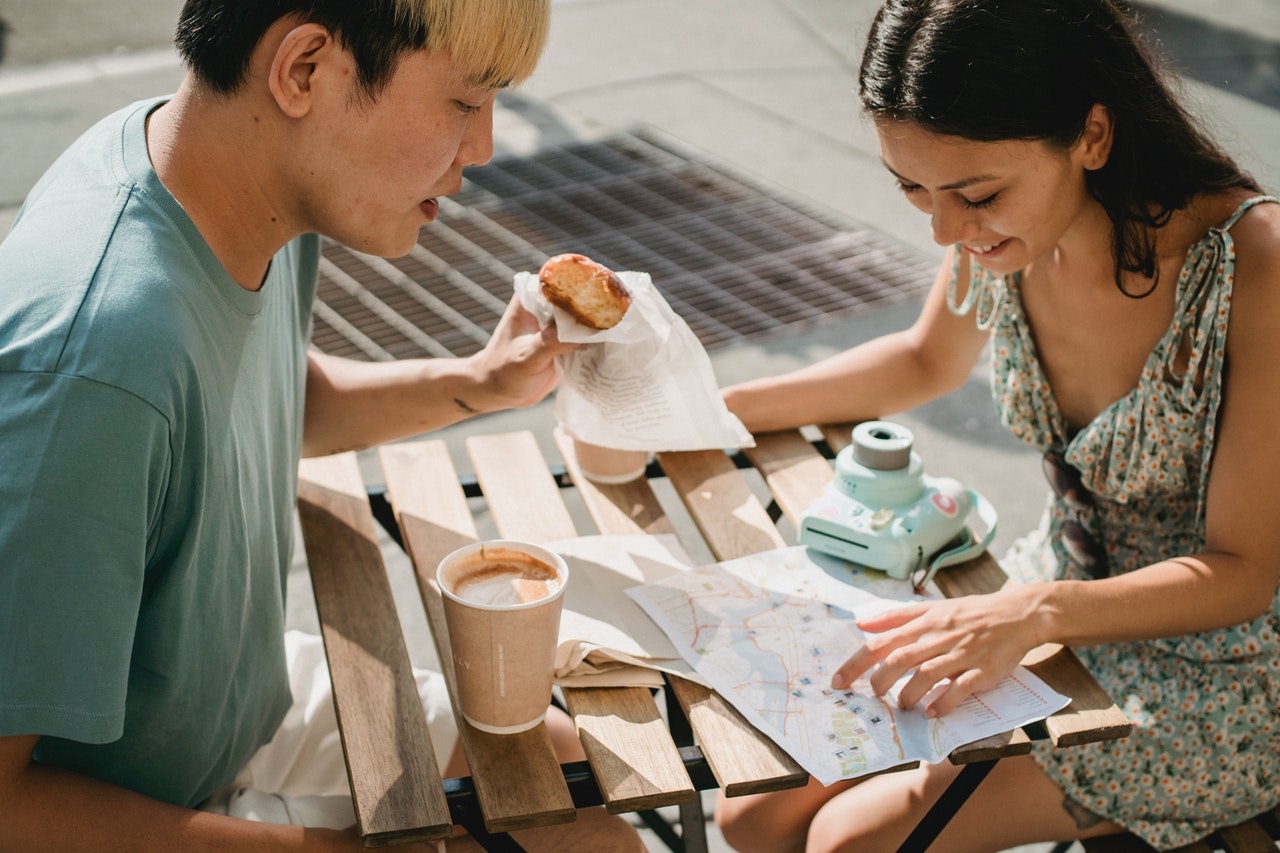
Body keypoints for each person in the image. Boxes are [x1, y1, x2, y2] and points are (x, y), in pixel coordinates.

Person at [0, 1, 645, 851]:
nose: (483, 147)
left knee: (565, 778)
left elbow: (254, 396)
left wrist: (479, 383)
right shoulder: (100, 364)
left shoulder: (214, 175)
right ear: (305, 69)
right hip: (138, 804)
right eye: (465, 101)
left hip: (234, 707)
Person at [715, 0, 1280, 851]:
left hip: (1222, 668)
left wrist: (1032, 613)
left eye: (973, 193)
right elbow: (919, 362)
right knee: (752, 811)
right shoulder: (1002, 230)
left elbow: (1244, 574)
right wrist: (700, 413)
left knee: (848, 843)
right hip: (1040, 601)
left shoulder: (1255, 267)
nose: (943, 229)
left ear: (1093, 135)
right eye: (911, 188)